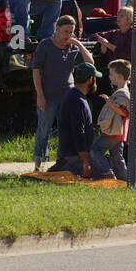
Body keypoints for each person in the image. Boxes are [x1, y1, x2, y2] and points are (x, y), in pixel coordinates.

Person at [30, 16, 92, 170]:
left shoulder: (72, 47)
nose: (68, 35)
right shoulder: (45, 45)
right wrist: (40, 95)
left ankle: (62, 162)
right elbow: (36, 70)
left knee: (66, 132)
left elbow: (91, 64)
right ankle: (38, 164)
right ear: (57, 28)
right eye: (65, 31)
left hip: (68, 96)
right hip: (49, 95)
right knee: (44, 130)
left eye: (71, 32)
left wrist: (78, 43)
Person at [49, 63, 101, 178]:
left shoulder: (74, 96)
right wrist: (86, 161)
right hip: (74, 158)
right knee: (103, 176)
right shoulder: (77, 101)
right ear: (90, 79)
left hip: (74, 156)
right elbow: (78, 133)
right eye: (95, 78)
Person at [90, 59, 131, 181]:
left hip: (113, 131)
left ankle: (106, 173)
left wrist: (110, 103)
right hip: (120, 132)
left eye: (111, 74)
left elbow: (124, 112)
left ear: (119, 76)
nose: (109, 77)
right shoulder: (122, 92)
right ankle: (125, 180)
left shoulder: (122, 94)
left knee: (95, 150)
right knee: (116, 158)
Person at [93, 5, 136, 71]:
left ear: (129, 19)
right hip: (117, 73)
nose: (118, 17)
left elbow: (127, 54)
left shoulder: (135, 34)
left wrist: (107, 44)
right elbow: (94, 36)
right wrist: (102, 42)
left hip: (135, 73)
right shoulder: (115, 33)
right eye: (118, 15)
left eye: (122, 16)